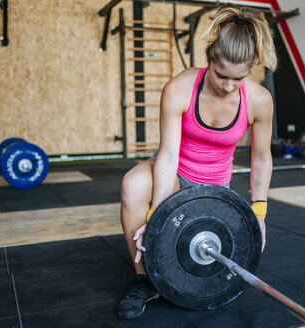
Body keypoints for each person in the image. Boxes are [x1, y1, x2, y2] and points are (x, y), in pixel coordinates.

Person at [117, 3, 277, 320]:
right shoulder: (180, 89)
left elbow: (261, 158)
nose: (228, 85)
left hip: (216, 190)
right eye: (221, 75)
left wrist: (259, 212)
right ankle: (143, 280)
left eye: (239, 78)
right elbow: (167, 155)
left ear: (250, 69)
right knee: (133, 184)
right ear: (209, 58)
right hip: (175, 173)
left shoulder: (259, 101)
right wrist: (156, 215)